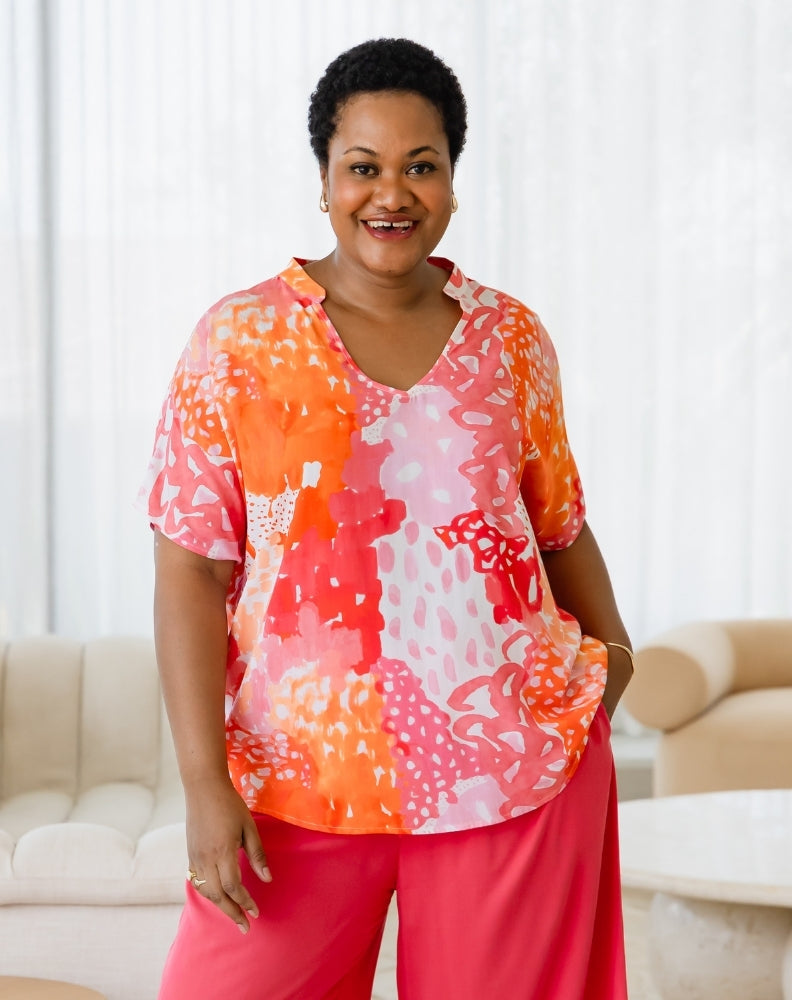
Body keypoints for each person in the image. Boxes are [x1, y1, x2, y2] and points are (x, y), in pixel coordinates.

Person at [138, 36, 633, 1000]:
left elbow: (558, 525)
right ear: (323, 178)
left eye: (421, 166)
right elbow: (190, 571)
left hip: (513, 778)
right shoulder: (238, 341)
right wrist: (204, 783)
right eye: (363, 167)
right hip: (291, 782)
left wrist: (614, 655)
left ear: (454, 180)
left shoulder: (512, 339)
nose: (391, 194)